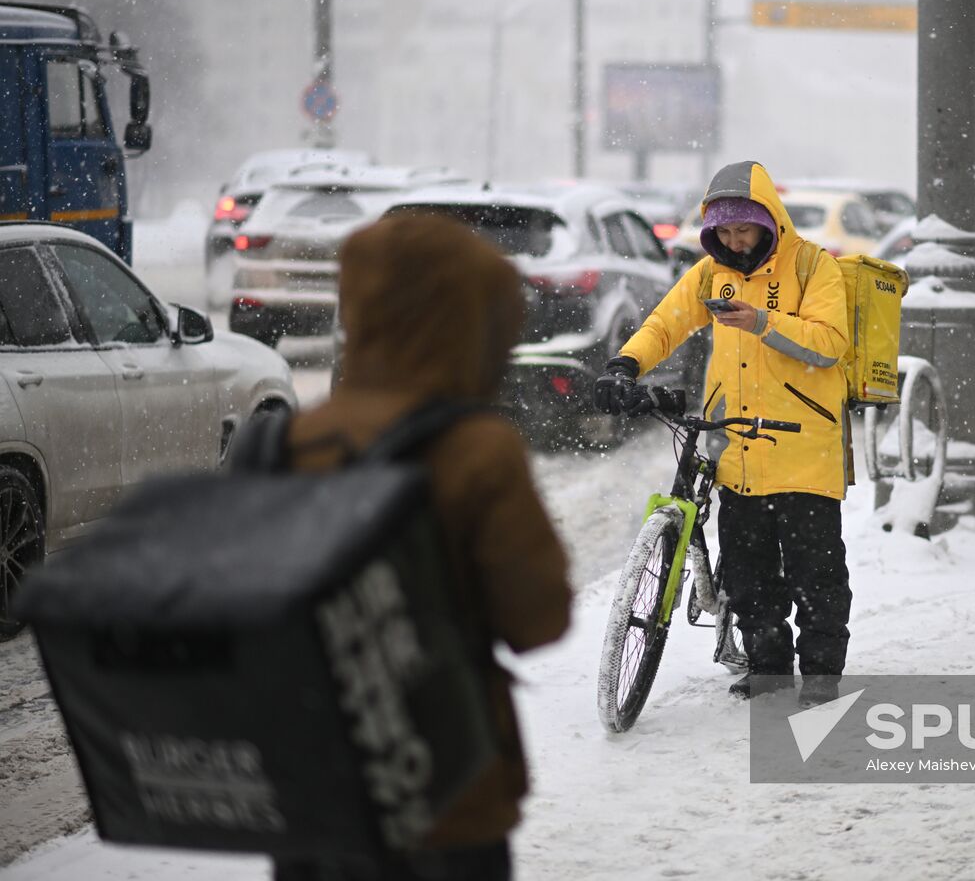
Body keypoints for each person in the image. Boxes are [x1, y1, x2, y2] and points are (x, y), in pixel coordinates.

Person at [276, 214, 572, 880]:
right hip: (447, 780)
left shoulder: (294, 440)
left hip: (314, 782)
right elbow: (539, 619)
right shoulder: (476, 448)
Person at [593, 160, 852, 707]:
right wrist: (626, 364)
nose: (734, 242)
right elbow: (666, 322)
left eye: (744, 229)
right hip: (738, 444)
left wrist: (761, 321)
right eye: (724, 232)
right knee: (749, 574)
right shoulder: (712, 273)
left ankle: (823, 675)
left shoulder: (812, 268)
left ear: (768, 221)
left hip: (805, 444)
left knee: (816, 573)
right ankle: (769, 669)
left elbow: (829, 344)